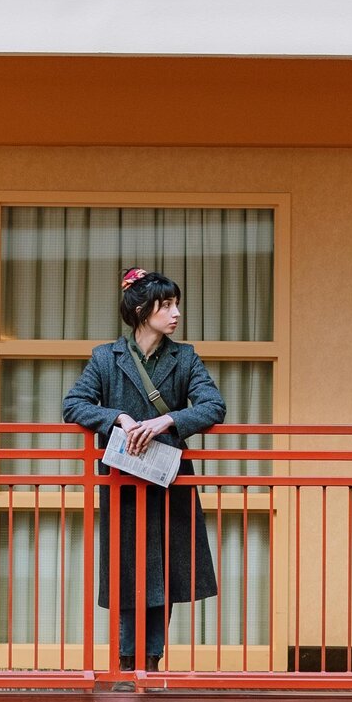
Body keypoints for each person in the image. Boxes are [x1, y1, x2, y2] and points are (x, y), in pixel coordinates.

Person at [62, 268, 226, 672]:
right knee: (127, 572)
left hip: (170, 480)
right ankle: (126, 662)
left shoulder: (184, 357)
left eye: (175, 304)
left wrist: (167, 421)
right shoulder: (106, 357)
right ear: (141, 310)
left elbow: (213, 405)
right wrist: (117, 417)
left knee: (166, 571)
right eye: (166, 305)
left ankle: (150, 662)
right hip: (124, 481)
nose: (176, 313)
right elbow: (74, 404)